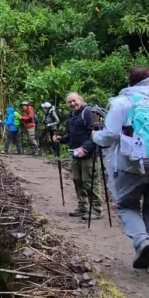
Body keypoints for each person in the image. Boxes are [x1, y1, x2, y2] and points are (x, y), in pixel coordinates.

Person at [92, 66, 149, 276]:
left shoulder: (122, 102)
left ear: (130, 82)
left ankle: (142, 241)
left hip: (131, 166)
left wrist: (94, 137)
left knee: (127, 206)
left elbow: (109, 136)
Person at [59, 92, 102, 220]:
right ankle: (82, 207)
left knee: (90, 182)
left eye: (74, 101)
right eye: (70, 102)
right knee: (78, 180)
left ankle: (96, 210)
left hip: (89, 154)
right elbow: (71, 135)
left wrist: (85, 148)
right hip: (75, 153)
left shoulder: (88, 112)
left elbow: (96, 134)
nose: (72, 104)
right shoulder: (72, 114)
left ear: (80, 100)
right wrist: (61, 139)